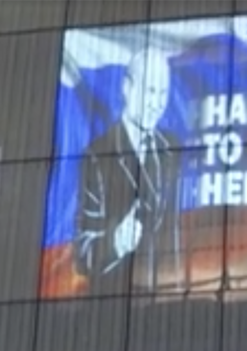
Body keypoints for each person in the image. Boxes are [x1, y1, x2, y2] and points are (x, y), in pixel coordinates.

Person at [74, 48, 182, 294]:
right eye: (150, 92)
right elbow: (82, 254)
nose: (156, 104)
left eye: (163, 93)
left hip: (168, 298)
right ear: (127, 87)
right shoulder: (97, 156)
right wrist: (116, 242)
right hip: (114, 305)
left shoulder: (171, 149)